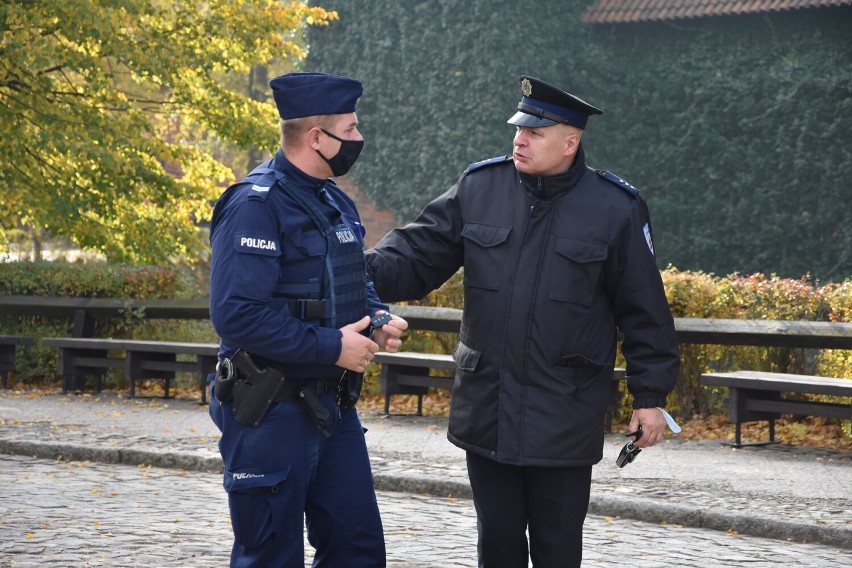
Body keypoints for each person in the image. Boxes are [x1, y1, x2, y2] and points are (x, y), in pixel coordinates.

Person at [365, 75, 680, 567]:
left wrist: (650, 397)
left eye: (535, 132)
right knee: (498, 545)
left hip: (564, 412)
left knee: (557, 549)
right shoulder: (479, 187)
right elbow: (416, 253)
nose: (519, 138)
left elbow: (645, 311)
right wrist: (351, 269)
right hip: (487, 408)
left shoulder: (615, 208)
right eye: (518, 128)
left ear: (570, 141)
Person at [207, 71, 407, 568]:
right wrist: (330, 347)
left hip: (332, 410)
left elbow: (351, 279)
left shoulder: (334, 201)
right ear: (317, 137)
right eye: (351, 127)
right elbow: (236, 314)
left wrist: (376, 316)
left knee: (357, 551)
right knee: (271, 557)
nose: (358, 138)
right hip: (270, 411)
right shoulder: (255, 206)